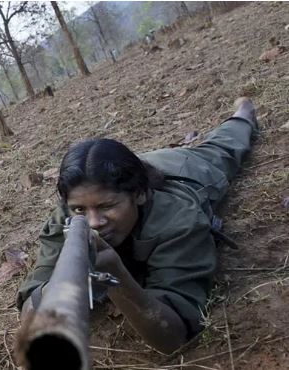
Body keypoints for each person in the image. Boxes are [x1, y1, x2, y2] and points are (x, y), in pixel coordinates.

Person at [17, 97, 258, 354]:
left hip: (185, 170)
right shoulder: (66, 218)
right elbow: (29, 307)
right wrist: (61, 280)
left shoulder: (179, 220)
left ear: (139, 195)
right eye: (79, 209)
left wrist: (115, 278)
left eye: (107, 207)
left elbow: (174, 338)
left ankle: (244, 112)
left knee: (227, 144)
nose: (94, 222)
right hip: (122, 170)